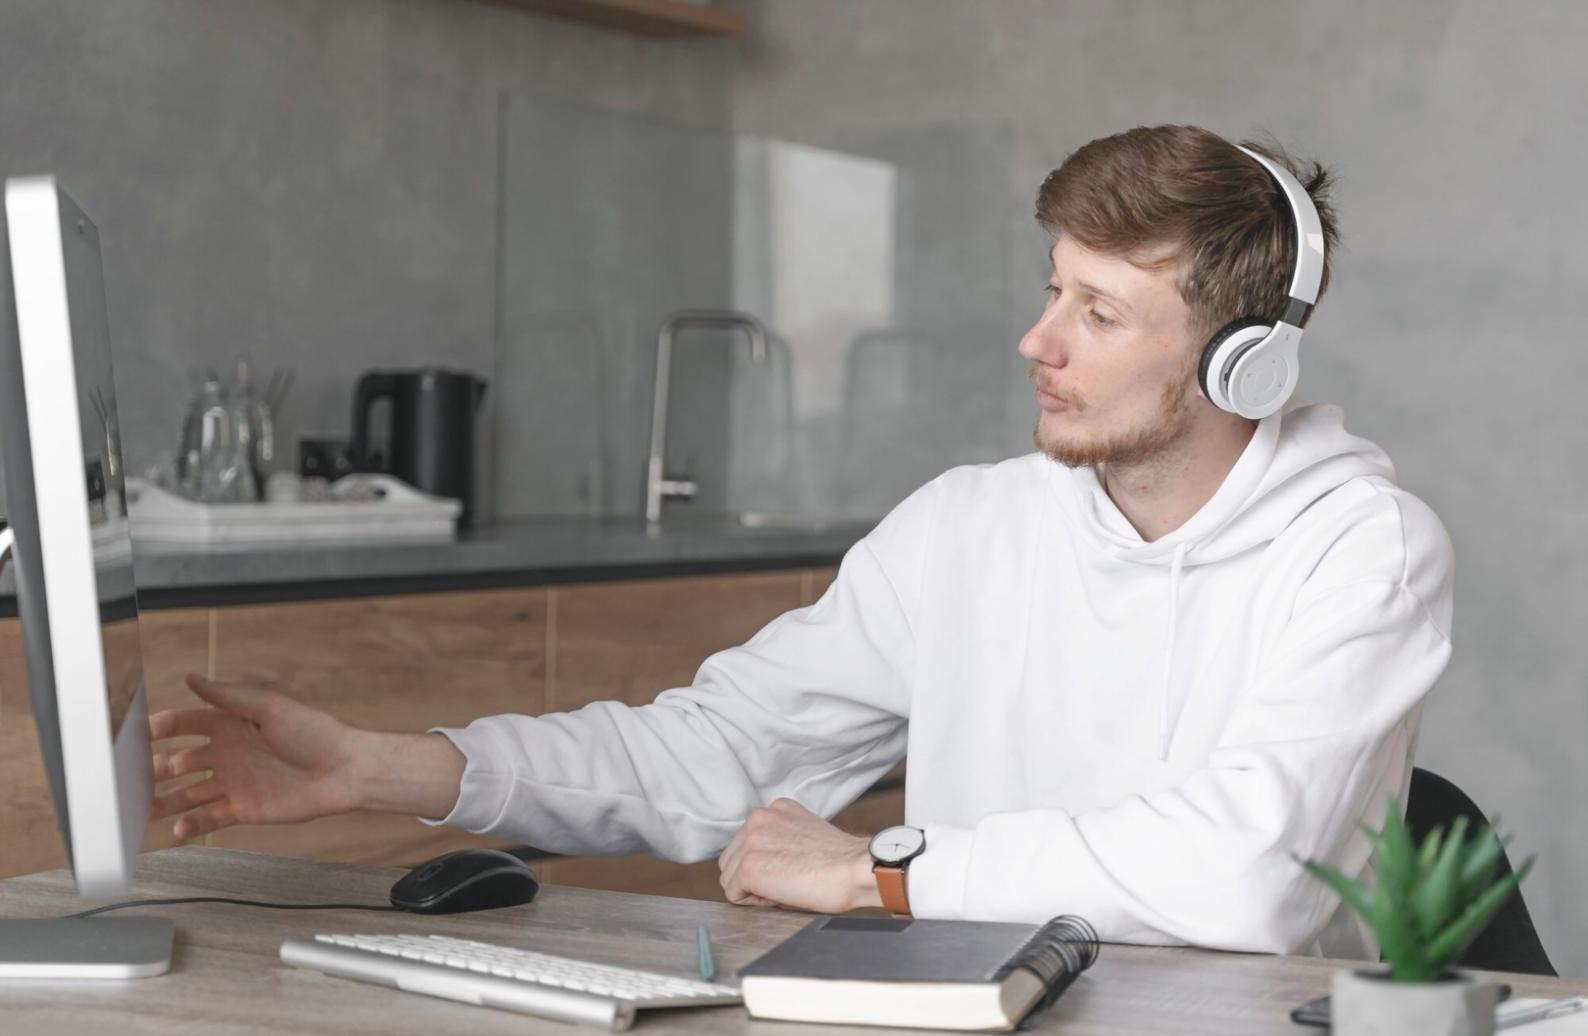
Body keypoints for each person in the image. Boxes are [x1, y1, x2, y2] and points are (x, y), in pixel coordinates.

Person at [149, 125, 1452, 958]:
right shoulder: (970, 526)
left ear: (1249, 363)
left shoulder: (1362, 549)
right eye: (1049, 287)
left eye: (1099, 312)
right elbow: (716, 750)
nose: (1036, 342)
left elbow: (1244, 883)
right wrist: (390, 769)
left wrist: (880, 874)